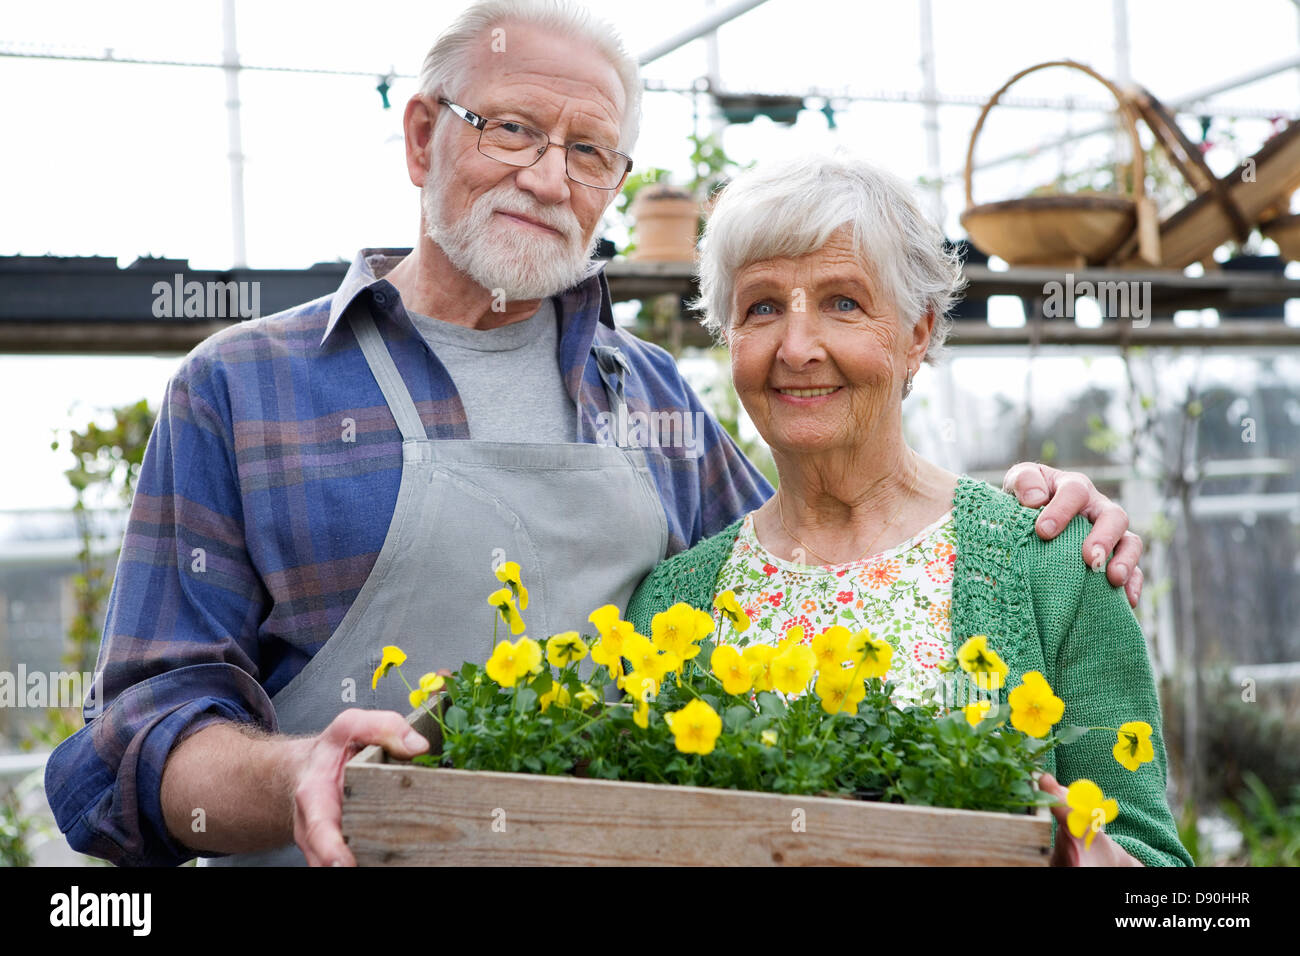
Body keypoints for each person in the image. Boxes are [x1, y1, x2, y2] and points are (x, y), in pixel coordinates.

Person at [45, 0, 1147, 867]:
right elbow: (132, 747)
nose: (545, 175)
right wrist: (294, 774)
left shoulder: (654, 397)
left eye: (588, 151)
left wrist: (1038, 511)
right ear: (424, 133)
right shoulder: (242, 391)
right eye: (512, 127)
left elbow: (825, 542)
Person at [624, 153, 1190, 867]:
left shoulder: (1056, 563)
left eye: (843, 303)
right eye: (762, 307)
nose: (797, 348)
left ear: (917, 335)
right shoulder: (671, 607)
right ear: (729, 336)